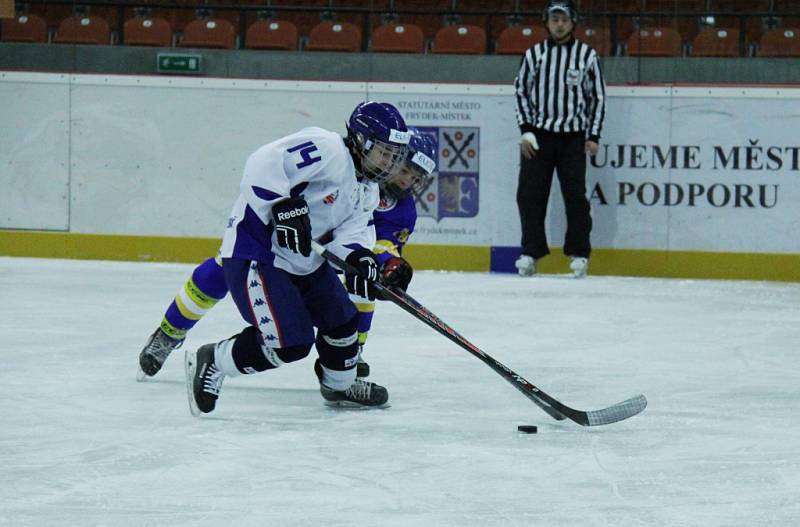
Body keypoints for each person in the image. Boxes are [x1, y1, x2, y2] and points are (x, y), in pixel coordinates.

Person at [136, 126, 436, 383]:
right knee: (221, 269)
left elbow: (378, 243)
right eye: (405, 169)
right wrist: (281, 203)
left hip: (324, 254)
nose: (405, 180)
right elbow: (275, 167)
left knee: (361, 292)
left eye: (414, 176)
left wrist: (386, 265)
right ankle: (170, 331)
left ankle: (350, 356)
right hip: (275, 240)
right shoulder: (339, 160)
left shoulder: (398, 207)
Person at [184, 100, 411, 415]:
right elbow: (264, 161)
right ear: (361, 141)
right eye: (383, 152)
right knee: (290, 343)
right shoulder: (328, 149)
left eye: (394, 157)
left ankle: (339, 387)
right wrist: (280, 203)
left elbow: (351, 236)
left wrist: (361, 260)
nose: (389, 163)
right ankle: (216, 360)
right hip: (258, 251)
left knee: (344, 323)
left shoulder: (368, 190)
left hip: (304, 260)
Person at [513, 0, 606, 278]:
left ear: (573, 22)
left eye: (564, 19)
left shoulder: (587, 56)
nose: (559, 24)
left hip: (573, 138)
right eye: (554, 19)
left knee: (576, 198)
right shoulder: (534, 55)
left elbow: (598, 98)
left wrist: (594, 135)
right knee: (529, 196)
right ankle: (531, 252)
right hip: (538, 137)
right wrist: (526, 130)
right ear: (547, 22)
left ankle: (580, 253)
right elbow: (520, 92)